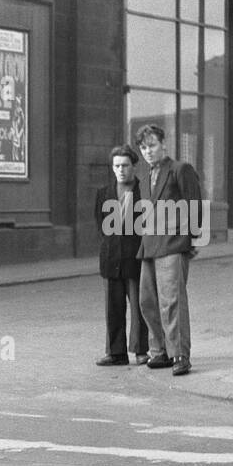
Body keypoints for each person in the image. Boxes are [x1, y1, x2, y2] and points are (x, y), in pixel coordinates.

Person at [135, 123, 202, 376]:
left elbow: (194, 205)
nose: (148, 151)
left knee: (172, 301)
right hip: (150, 246)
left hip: (173, 244)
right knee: (147, 301)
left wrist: (192, 240)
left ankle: (180, 355)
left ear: (164, 144)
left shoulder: (179, 170)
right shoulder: (144, 177)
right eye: (143, 148)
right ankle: (160, 351)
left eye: (152, 145)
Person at [94, 144, 149, 366]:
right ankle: (116, 352)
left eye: (125, 165)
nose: (120, 170)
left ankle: (141, 350)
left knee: (138, 308)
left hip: (135, 260)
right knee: (113, 308)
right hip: (111, 259)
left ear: (134, 166)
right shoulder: (104, 194)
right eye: (116, 166)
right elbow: (101, 226)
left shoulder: (143, 192)